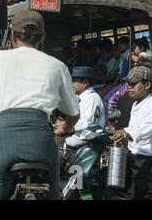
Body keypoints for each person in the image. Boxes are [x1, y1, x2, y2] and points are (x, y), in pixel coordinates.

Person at [0, 10, 80, 200]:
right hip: (41, 141)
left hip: (5, 139)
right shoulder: (56, 65)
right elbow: (73, 112)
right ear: (42, 37)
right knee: (53, 189)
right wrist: (65, 126)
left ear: (12, 36)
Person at [110, 65, 152, 199]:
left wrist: (127, 134)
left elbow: (147, 127)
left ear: (147, 84)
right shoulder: (136, 103)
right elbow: (134, 126)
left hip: (146, 158)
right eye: (128, 83)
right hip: (133, 153)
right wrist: (121, 131)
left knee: (138, 194)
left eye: (133, 83)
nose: (129, 86)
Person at [65, 67, 105, 148]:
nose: (71, 84)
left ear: (85, 83)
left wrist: (65, 126)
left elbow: (86, 123)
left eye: (74, 81)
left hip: (85, 147)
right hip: (73, 145)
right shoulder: (79, 97)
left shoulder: (92, 98)